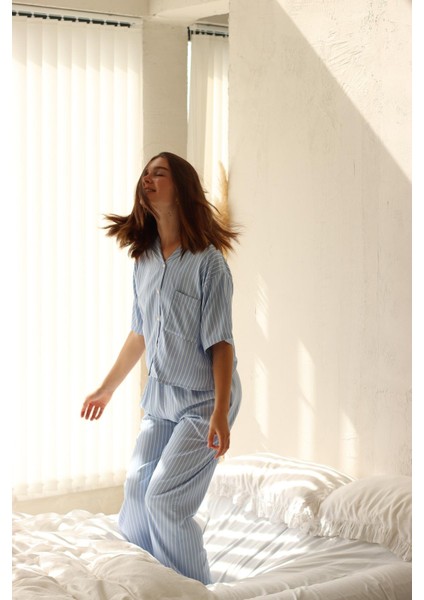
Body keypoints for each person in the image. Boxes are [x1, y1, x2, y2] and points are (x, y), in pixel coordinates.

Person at [80, 151, 241, 584]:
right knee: (137, 493)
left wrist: (220, 411)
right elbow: (140, 334)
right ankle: (149, 583)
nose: (147, 179)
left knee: (165, 500)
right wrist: (106, 389)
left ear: (181, 188)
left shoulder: (208, 263)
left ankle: (194, 589)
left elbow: (221, 343)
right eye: (145, 174)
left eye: (159, 173)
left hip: (205, 400)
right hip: (161, 398)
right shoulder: (145, 259)